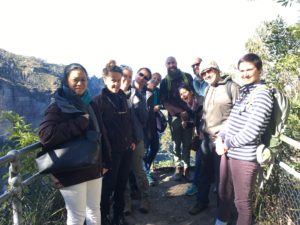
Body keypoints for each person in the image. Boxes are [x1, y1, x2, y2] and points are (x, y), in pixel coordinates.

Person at [38, 63, 111, 225]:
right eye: (75, 80)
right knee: (76, 217)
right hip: (71, 170)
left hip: (93, 165)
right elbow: (46, 135)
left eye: (83, 79)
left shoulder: (90, 103)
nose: (80, 83)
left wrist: (106, 160)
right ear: (66, 81)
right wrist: (79, 123)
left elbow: (101, 132)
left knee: (94, 210)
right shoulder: (58, 106)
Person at [214, 53, 273, 225]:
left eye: (249, 69)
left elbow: (252, 131)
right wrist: (221, 138)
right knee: (224, 194)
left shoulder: (263, 95)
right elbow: (231, 121)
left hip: (245, 156)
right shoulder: (245, 91)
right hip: (228, 151)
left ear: (259, 70)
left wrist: (227, 144)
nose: (245, 74)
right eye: (242, 70)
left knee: (242, 203)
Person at [189, 60, 240, 215]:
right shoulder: (208, 89)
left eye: (209, 71)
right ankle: (201, 202)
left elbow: (239, 114)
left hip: (223, 141)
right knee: (204, 173)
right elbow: (205, 113)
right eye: (203, 73)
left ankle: (223, 210)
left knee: (222, 179)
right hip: (207, 140)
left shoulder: (232, 87)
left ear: (217, 69)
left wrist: (226, 136)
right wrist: (201, 130)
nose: (206, 75)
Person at [93, 60, 136, 225]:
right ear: (105, 80)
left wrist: (131, 140)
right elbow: (97, 132)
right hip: (110, 154)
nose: (117, 84)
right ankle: (104, 218)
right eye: (113, 80)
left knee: (121, 185)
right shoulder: (98, 102)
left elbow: (128, 121)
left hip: (125, 150)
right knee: (106, 189)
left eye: (119, 80)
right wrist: (103, 157)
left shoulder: (122, 98)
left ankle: (119, 216)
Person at [121, 67, 151, 214]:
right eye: (141, 75)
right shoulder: (116, 92)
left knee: (138, 171)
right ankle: (127, 202)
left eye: (146, 78)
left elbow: (145, 119)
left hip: (137, 139)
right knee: (124, 173)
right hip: (120, 141)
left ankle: (145, 199)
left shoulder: (140, 96)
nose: (143, 78)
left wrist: (139, 103)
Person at [160, 56, 194, 181]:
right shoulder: (164, 82)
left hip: (189, 116)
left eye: (173, 62)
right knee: (176, 143)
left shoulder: (187, 77)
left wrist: (188, 112)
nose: (171, 65)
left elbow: (193, 95)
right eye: (168, 63)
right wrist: (180, 113)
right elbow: (165, 103)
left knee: (187, 142)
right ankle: (178, 168)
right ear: (166, 65)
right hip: (174, 117)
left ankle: (187, 169)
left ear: (176, 63)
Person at [185, 57, 208, 196]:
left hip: (212, 124)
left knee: (206, 157)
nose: (195, 67)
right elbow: (196, 106)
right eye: (193, 66)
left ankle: (212, 186)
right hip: (201, 124)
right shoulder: (194, 82)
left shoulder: (210, 82)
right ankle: (196, 185)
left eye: (198, 65)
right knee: (200, 156)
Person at [143, 72, 163, 186]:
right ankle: (146, 174)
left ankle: (146, 168)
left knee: (155, 147)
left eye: (158, 79)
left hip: (153, 122)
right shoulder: (144, 89)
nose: (156, 80)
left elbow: (161, 103)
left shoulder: (158, 91)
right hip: (144, 123)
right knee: (145, 149)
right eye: (154, 78)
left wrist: (159, 106)